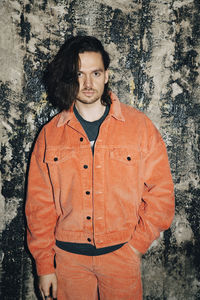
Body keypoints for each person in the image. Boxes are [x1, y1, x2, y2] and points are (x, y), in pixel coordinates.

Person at [25, 36, 175, 300]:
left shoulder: (139, 127)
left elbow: (161, 194)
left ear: (106, 75)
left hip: (121, 257)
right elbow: (39, 206)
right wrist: (45, 266)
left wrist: (135, 247)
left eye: (95, 73)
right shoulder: (50, 134)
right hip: (69, 262)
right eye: (79, 74)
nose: (87, 83)